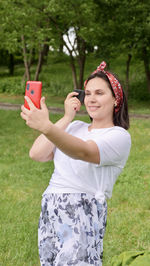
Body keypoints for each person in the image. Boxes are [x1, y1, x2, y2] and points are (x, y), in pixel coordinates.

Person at [20, 61, 131, 266]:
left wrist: (46, 126)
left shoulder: (119, 136)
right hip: (51, 207)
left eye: (99, 93)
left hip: (83, 209)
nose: (91, 99)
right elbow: (37, 153)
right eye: (87, 93)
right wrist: (65, 118)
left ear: (116, 100)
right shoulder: (75, 126)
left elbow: (83, 151)